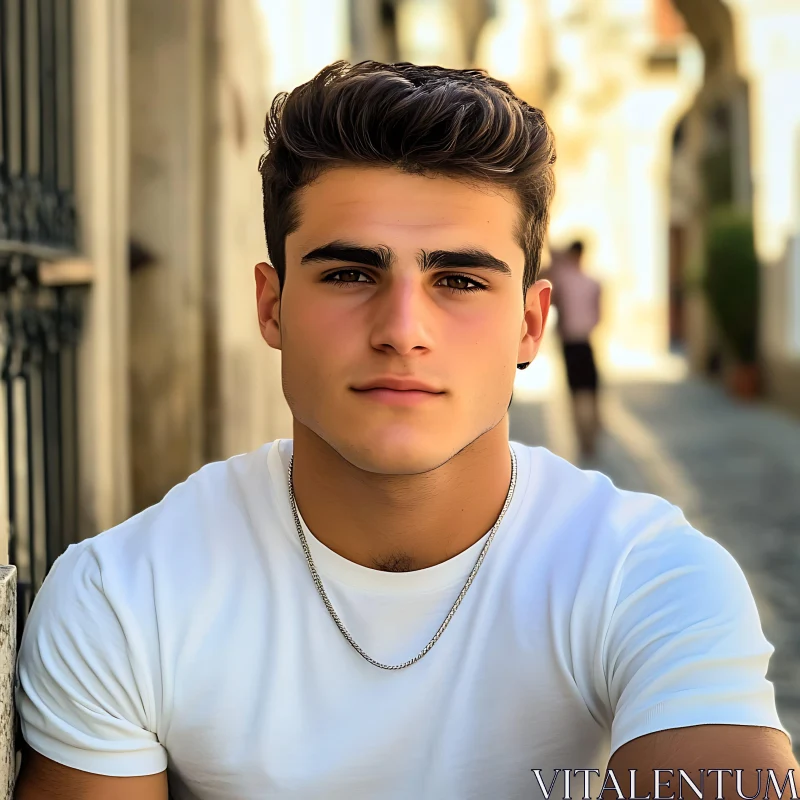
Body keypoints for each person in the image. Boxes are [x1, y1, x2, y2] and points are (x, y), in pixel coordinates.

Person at [14, 61, 796, 800]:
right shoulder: (122, 596)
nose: (402, 329)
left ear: (530, 325)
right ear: (272, 306)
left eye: (458, 280)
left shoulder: (648, 577)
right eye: (350, 274)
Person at [547, 240, 602, 460]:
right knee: (590, 390)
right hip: (584, 340)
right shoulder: (592, 282)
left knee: (577, 393)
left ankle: (584, 438)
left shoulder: (564, 280)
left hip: (571, 342)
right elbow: (599, 315)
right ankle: (589, 437)